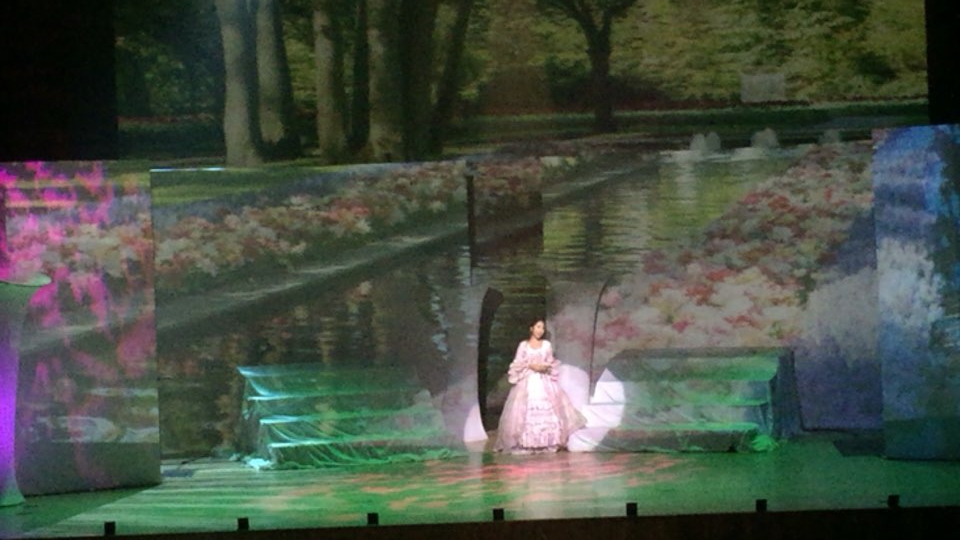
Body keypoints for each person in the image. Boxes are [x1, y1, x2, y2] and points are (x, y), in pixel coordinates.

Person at [494, 318, 586, 453]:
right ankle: (526, 443)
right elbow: (517, 363)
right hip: (528, 382)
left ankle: (549, 442)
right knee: (524, 412)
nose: (540, 330)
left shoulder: (546, 345)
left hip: (544, 381)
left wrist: (544, 367)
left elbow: (551, 362)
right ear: (531, 328)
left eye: (542, 328)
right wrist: (530, 365)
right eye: (538, 327)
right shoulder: (523, 345)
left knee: (550, 411)